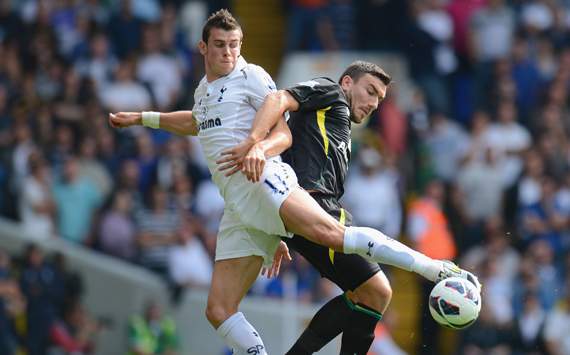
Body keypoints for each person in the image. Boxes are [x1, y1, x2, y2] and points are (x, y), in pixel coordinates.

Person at [109, 9, 480, 355]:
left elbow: (280, 130)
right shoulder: (312, 92)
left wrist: (269, 183)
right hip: (252, 202)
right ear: (203, 47)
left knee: (374, 291)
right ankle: (433, 267)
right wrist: (145, 118)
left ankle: (431, 269)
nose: (228, 52)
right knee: (219, 309)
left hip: (271, 191)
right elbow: (206, 119)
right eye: (370, 91)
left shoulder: (250, 75)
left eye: (234, 45)